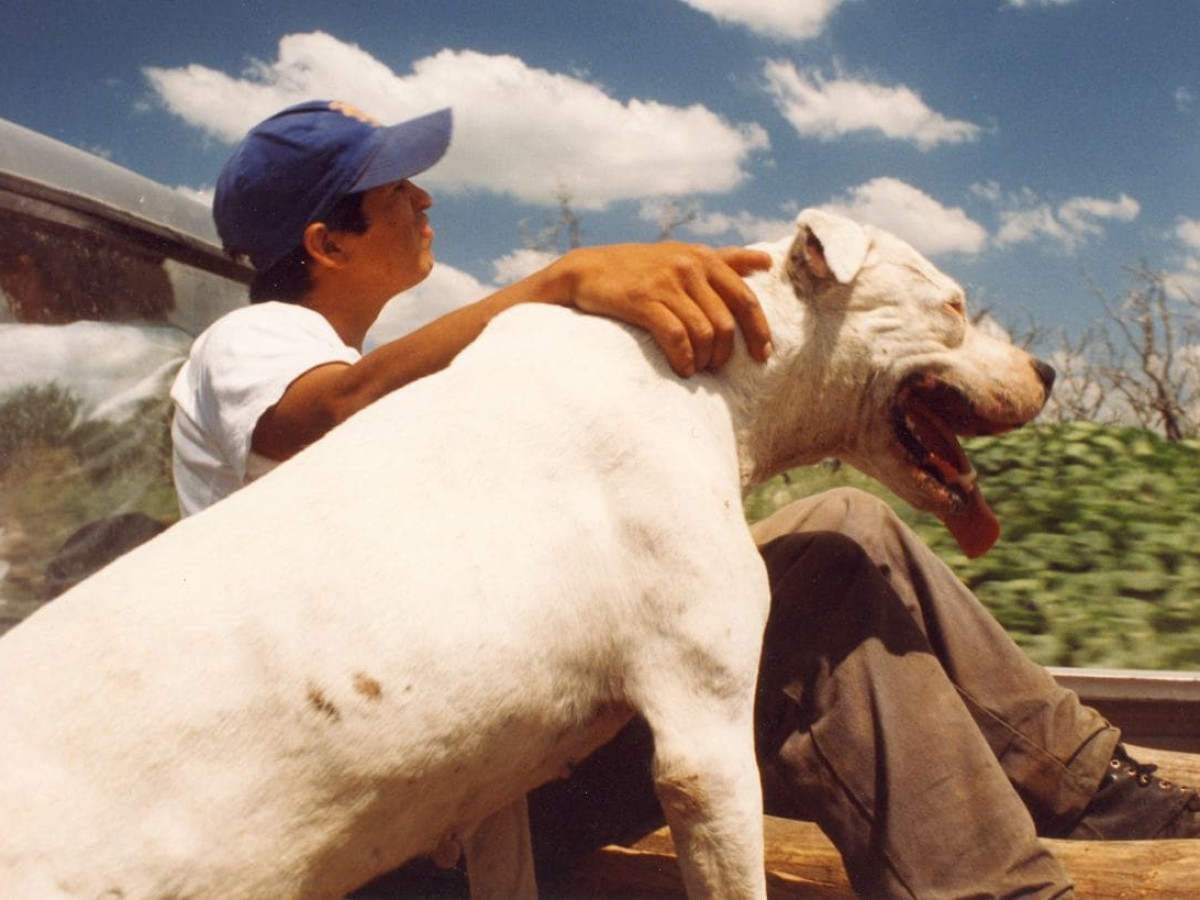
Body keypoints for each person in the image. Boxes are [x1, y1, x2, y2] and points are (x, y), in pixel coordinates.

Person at [171, 100, 1199, 898]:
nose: (426, 202)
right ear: (327, 243)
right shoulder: (253, 347)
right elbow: (326, 410)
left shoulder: (397, 376)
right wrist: (554, 284)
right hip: (418, 831)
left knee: (848, 522)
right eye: (398, 190)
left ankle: (1090, 786)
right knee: (832, 577)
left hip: (507, 765)